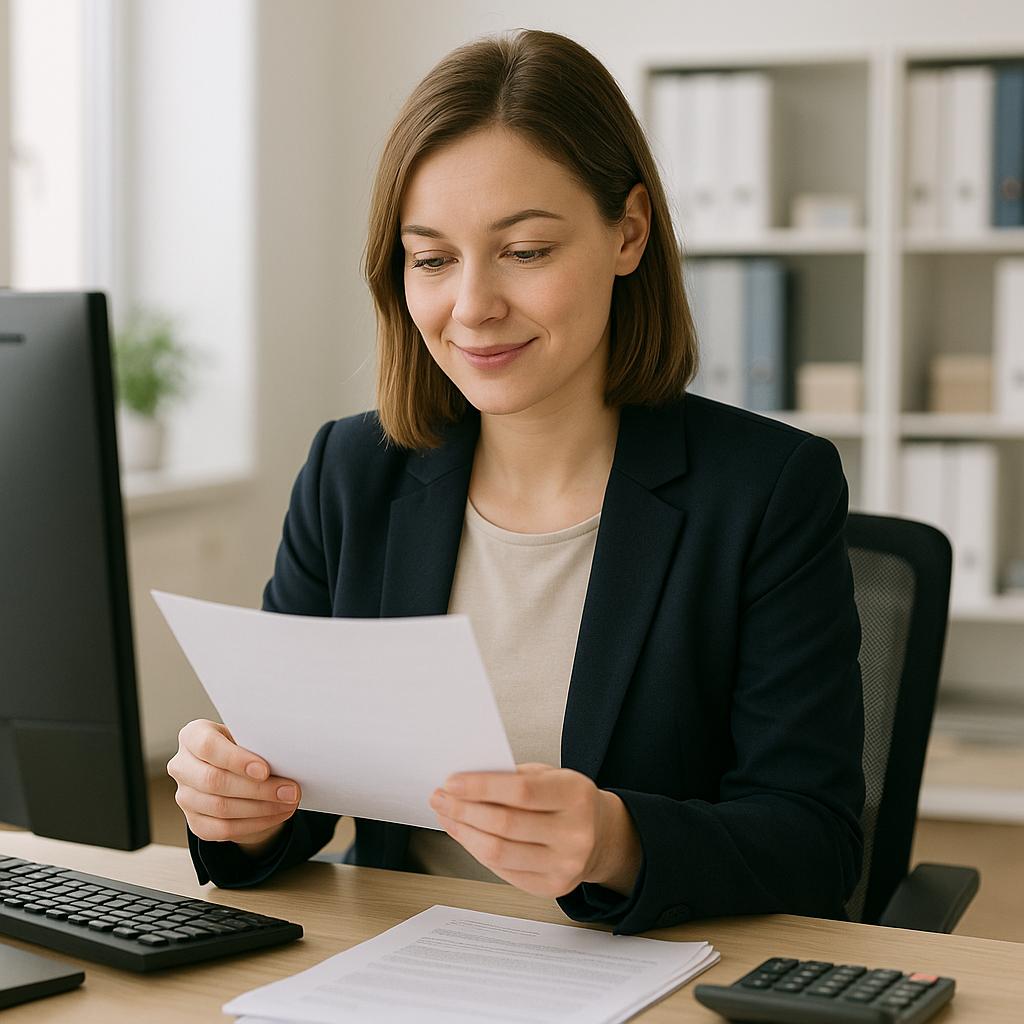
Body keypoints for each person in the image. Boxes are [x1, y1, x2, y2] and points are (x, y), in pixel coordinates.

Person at [167, 28, 864, 936]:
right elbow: (298, 792)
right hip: (399, 966)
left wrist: (619, 843)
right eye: (432, 258)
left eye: (526, 250)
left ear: (630, 231)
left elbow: (815, 844)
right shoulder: (352, 474)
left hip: (647, 969)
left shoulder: (769, 490)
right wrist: (240, 812)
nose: (473, 306)